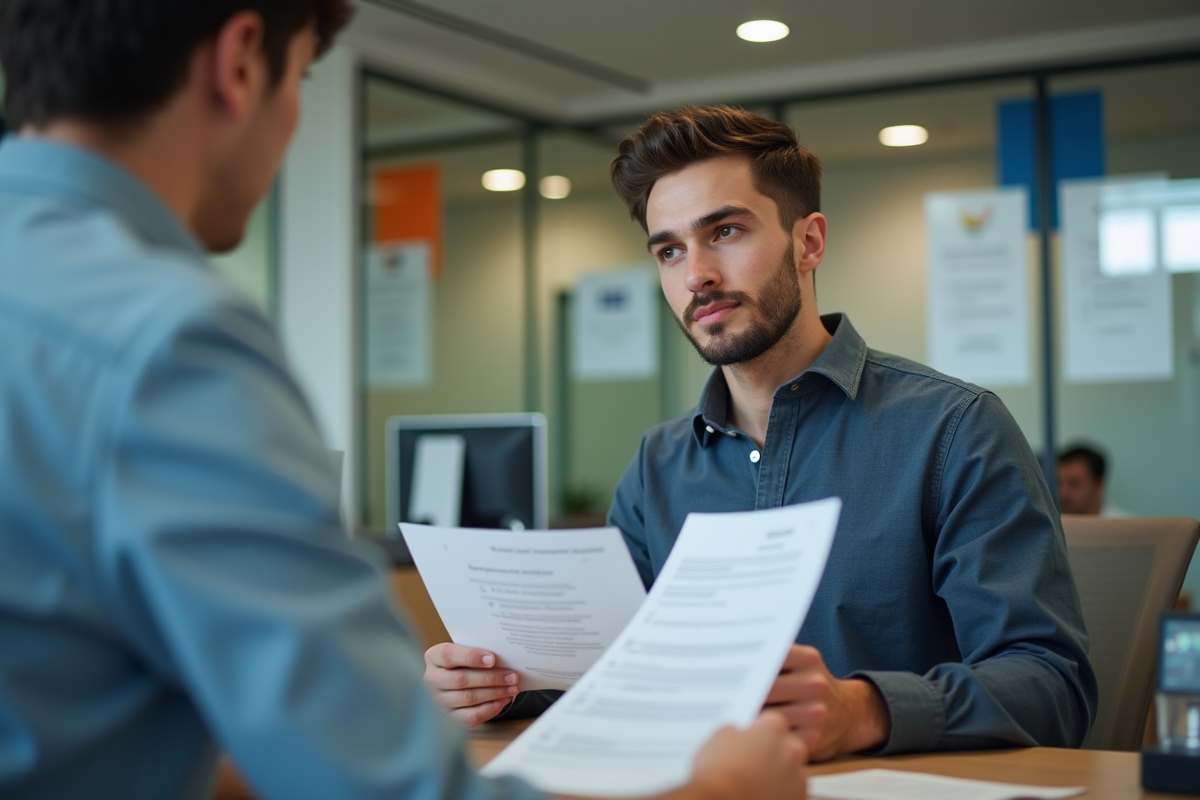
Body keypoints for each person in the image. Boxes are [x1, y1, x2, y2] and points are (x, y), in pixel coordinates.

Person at [0, 7, 811, 798]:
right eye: (305, 78)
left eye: (725, 234)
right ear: (241, 62)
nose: (696, 272)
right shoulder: (165, 340)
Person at [425, 105, 1098, 761]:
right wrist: (502, 684)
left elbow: (1051, 683)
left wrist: (863, 710)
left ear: (809, 242)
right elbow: (616, 672)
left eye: (725, 232)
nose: (697, 276)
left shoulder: (952, 430)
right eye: (669, 250)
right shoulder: (660, 464)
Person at [1057, 443, 1130, 517]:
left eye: (1074, 484)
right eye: (1058, 483)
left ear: (1098, 486)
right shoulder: (1051, 526)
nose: (1063, 493)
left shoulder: (1129, 526)